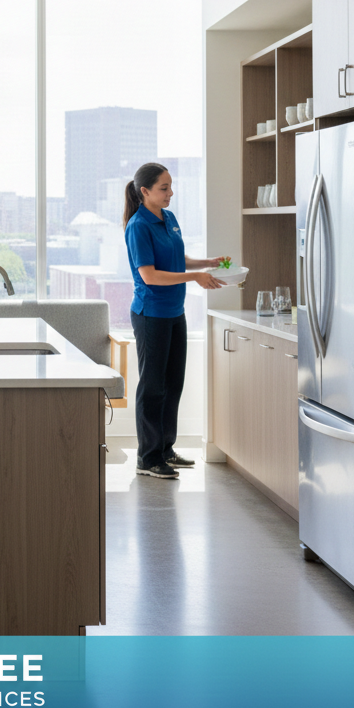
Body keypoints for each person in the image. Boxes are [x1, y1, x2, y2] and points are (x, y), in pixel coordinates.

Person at [123, 162, 226, 480]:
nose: (170, 193)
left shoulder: (169, 219)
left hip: (173, 312)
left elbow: (174, 258)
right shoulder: (138, 226)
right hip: (150, 314)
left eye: (171, 186)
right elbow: (149, 274)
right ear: (145, 192)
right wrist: (195, 276)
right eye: (163, 188)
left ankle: (165, 449)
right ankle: (148, 458)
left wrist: (205, 263)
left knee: (173, 384)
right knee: (152, 387)